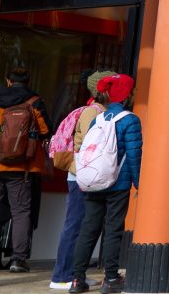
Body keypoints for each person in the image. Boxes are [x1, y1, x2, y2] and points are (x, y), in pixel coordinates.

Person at [69, 73, 141, 294]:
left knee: (88, 229)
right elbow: (134, 154)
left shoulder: (98, 119)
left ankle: (77, 280)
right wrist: (139, 183)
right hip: (118, 183)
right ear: (127, 95)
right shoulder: (130, 120)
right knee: (113, 229)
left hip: (93, 181)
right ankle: (110, 278)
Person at [0, 66, 50, 273]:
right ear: (27, 82)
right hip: (22, 166)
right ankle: (18, 260)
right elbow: (45, 130)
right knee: (21, 212)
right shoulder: (34, 102)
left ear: (8, 81)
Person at [48, 72, 113, 291]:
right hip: (81, 177)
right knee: (75, 225)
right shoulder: (92, 113)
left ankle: (76, 274)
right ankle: (61, 275)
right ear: (104, 90)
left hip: (85, 176)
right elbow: (91, 146)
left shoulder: (99, 111)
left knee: (84, 226)